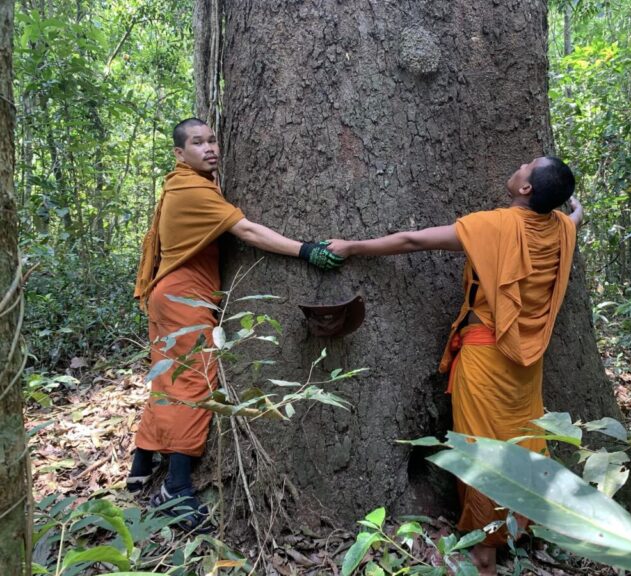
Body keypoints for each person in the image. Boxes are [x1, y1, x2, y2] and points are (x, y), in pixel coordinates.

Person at [328, 157, 583, 575]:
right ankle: (516, 527)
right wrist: (572, 207)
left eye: (526, 166)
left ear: (525, 190)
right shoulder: (560, 230)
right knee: (521, 442)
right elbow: (575, 217)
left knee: (481, 452)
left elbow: (413, 242)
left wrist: (353, 247)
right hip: (527, 364)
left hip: (486, 356)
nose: (518, 166)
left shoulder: (495, 225)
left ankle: (484, 557)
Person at [129, 118, 342, 532]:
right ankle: (176, 489)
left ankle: (141, 465)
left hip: (169, 294)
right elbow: (246, 230)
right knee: (194, 383)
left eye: (212, 140)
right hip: (183, 295)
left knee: (168, 378)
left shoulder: (185, 184)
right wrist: (306, 250)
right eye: (197, 143)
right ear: (179, 154)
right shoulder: (192, 189)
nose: (209, 148)